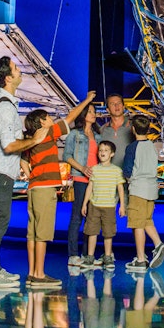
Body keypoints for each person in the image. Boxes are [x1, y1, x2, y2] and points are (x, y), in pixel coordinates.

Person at [0, 56, 49, 291]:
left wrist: (20, 161)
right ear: (8, 78)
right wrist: (34, 140)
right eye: (16, 69)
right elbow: (9, 145)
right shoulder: (6, 106)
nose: (20, 71)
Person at [20, 92, 97, 288]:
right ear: (41, 122)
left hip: (34, 188)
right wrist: (86, 100)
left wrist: (32, 176)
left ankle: (31, 273)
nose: (51, 119)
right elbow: (71, 117)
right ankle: (39, 275)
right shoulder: (47, 133)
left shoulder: (30, 138)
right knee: (43, 233)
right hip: (45, 189)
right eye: (47, 117)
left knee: (32, 232)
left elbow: (23, 161)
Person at [125, 114, 164, 273]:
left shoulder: (132, 148)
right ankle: (158, 244)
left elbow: (127, 170)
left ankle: (141, 259)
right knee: (147, 220)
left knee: (137, 224)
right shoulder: (152, 146)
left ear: (133, 129)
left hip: (138, 189)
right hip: (151, 190)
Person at [62, 104, 100, 267]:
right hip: (79, 179)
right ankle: (73, 255)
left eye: (94, 112)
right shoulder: (74, 134)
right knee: (77, 217)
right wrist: (82, 169)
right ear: (83, 115)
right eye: (90, 111)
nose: (93, 114)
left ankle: (87, 255)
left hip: (96, 181)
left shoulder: (98, 135)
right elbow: (66, 156)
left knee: (91, 218)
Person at [80, 140, 126, 271]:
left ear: (112, 154)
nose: (102, 153)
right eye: (100, 150)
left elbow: (120, 188)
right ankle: (90, 257)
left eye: (106, 150)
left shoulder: (117, 171)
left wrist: (122, 205)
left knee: (108, 233)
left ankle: (107, 257)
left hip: (109, 206)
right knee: (91, 231)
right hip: (94, 205)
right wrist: (85, 204)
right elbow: (90, 187)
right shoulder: (94, 169)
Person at [99, 93, 134, 167]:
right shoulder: (102, 130)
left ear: (123, 107)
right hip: (109, 175)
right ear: (107, 110)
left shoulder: (133, 127)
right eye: (112, 104)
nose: (116, 106)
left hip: (129, 175)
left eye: (119, 103)